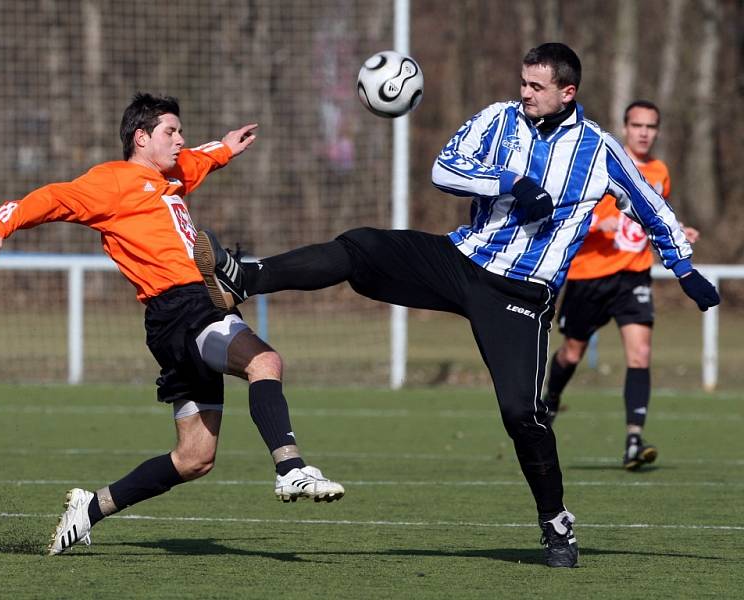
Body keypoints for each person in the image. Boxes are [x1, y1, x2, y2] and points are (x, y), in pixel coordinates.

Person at [195, 43, 720, 568]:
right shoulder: (499, 118)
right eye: (523, 82)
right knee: (361, 246)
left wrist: (685, 268)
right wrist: (509, 182)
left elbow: (652, 208)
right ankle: (246, 277)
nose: (524, 93)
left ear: (567, 92)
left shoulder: (600, 151)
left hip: (521, 294)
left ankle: (556, 523)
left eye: (536, 86)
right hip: (460, 260)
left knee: (524, 415)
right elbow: (445, 169)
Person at [0, 92, 344, 556]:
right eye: (171, 131)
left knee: (194, 459)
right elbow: (52, 198)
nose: (180, 139)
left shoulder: (168, 177)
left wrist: (225, 147)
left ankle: (90, 509)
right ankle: (291, 467)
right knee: (264, 360)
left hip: (180, 316)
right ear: (141, 137)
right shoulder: (113, 181)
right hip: (185, 308)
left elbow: (197, 161)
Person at [543, 100, 699, 470]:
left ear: (657, 131)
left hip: (633, 276)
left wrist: (678, 232)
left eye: (651, 126)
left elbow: (653, 216)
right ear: (625, 128)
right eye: (637, 125)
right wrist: (598, 225)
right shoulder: (602, 161)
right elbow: (567, 210)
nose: (644, 132)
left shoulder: (660, 171)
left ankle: (633, 440)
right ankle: (549, 403)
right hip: (589, 276)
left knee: (640, 353)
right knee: (572, 353)